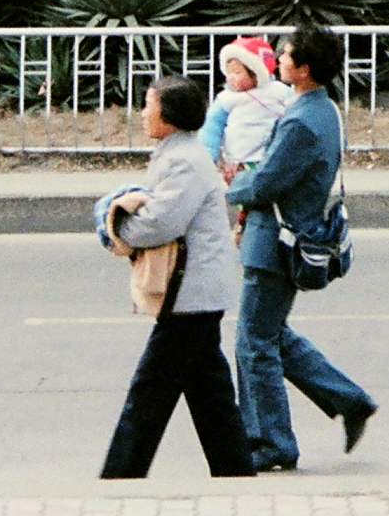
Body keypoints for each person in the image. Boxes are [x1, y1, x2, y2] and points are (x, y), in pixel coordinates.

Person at [226, 25, 377, 472]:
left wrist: (235, 185)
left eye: (286, 54)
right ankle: (349, 401)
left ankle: (272, 443)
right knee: (271, 334)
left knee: (254, 342)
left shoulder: (300, 121)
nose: (278, 58)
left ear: (304, 69)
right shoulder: (321, 109)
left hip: (276, 241)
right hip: (289, 233)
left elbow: (269, 181)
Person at [99, 76, 256, 480]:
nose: (143, 113)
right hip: (197, 293)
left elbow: (160, 223)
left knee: (149, 390)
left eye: (149, 105)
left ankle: (120, 477)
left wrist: (115, 231)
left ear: (168, 116)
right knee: (211, 394)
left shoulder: (183, 159)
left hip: (189, 294)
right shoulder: (179, 153)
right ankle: (235, 470)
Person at [199, 35, 294, 182]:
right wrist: (209, 156)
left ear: (256, 73)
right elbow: (212, 127)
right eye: (228, 72)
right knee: (243, 195)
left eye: (237, 73)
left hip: (272, 159)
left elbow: (298, 111)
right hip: (238, 162)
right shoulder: (226, 98)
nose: (231, 77)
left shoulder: (279, 91)